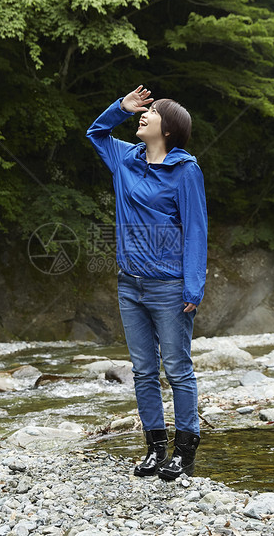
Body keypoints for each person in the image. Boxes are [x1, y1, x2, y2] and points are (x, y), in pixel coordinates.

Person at [86, 85, 208, 481]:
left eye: (152, 112)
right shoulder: (125, 158)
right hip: (129, 285)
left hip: (170, 286)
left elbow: (195, 230)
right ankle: (155, 449)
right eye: (144, 110)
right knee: (142, 370)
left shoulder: (185, 169)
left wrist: (193, 287)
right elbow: (96, 133)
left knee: (176, 368)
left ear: (169, 130)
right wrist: (119, 108)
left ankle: (184, 451)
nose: (145, 114)